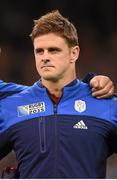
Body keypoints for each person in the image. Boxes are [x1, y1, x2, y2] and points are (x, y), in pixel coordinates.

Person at [0, 10, 117, 179]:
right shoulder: (12, 106)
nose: (45, 57)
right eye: (39, 51)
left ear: (74, 53)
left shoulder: (105, 103)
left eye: (53, 50)